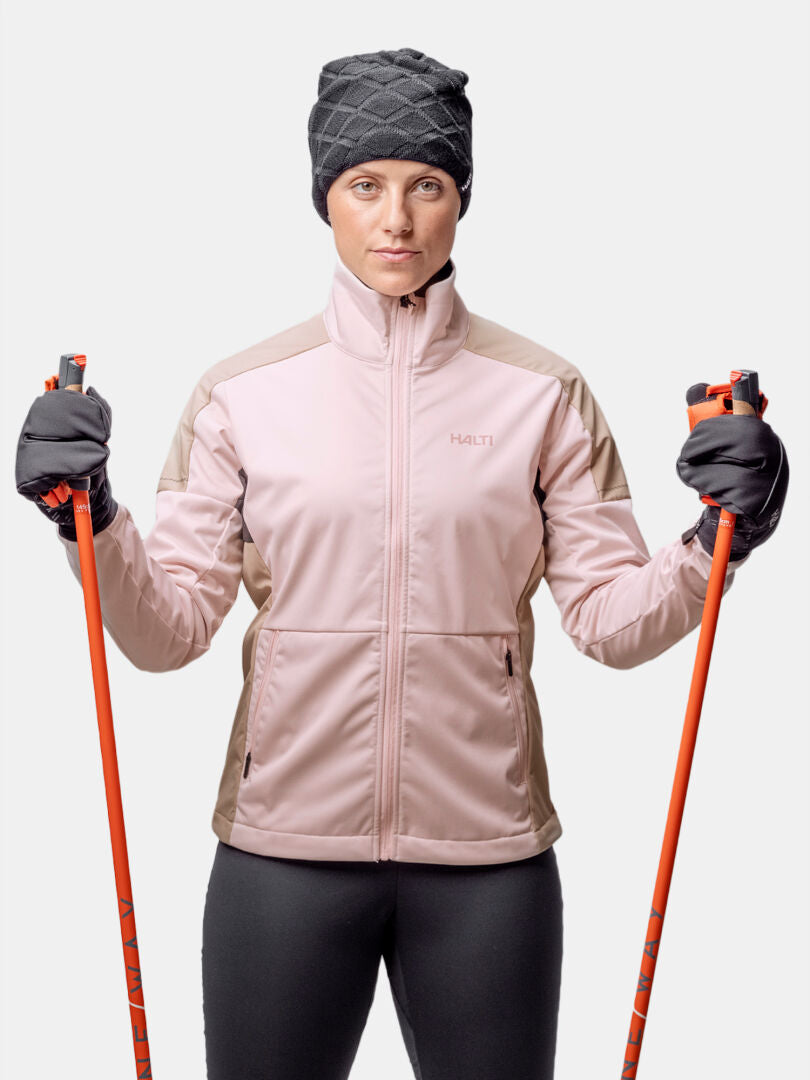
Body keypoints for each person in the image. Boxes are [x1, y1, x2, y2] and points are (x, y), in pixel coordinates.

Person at [15, 46, 788, 1080]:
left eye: (427, 185)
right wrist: (89, 521)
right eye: (364, 185)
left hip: (488, 862)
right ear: (324, 198)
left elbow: (610, 621)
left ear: (461, 198)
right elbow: (167, 631)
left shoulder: (544, 393)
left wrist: (720, 538)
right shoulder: (242, 393)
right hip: (283, 852)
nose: (396, 220)